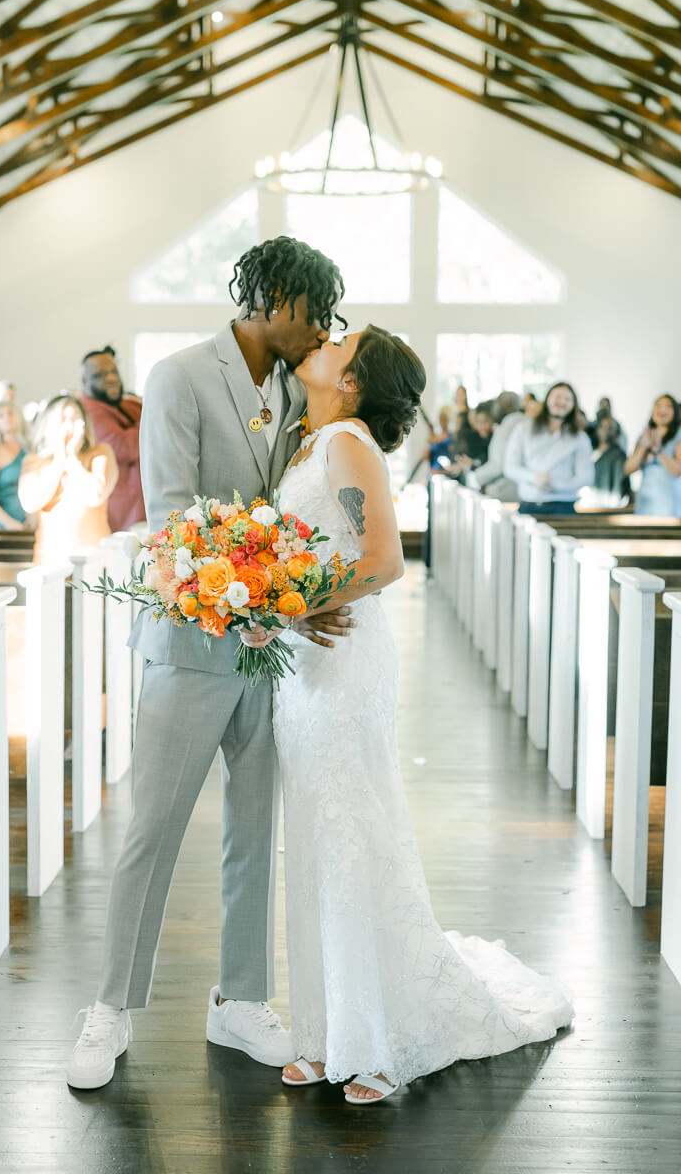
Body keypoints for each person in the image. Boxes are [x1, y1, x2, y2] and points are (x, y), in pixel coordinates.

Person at [241, 327, 573, 1102]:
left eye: (338, 341)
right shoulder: (305, 442)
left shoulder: (348, 443)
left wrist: (290, 606)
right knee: (316, 839)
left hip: (346, 656)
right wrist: (267, 607)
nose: (321, 340)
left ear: (353, 381)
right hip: (303, 663)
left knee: (355, 831)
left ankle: (382, 1039)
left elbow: (383, 560)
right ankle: (324, 1031)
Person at [65, 236, 352, 1092]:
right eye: (317, 310)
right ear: (273, 298)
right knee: (151, 832)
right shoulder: (182, 376)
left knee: (252, 831)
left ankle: (241, 1000)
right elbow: (175, 517)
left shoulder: (296, 394)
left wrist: (297, 598)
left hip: (271, 655)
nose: (323, 329)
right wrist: (273, 591)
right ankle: (110, 1006)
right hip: (191, 644)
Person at [18, 395, 118, 564]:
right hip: (50, 563)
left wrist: (72, 458)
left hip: (95, 563)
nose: (70, 425)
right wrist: (60, 459)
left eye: (75, 418)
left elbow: (96, 495)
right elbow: (30, 502)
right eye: (64, 418)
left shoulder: (100, 453)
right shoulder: (34, 461)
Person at [78, 346, 145, 531]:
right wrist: (148, 419)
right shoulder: (88, 411)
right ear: (85, 381)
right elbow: (124, 446)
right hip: (121, 516)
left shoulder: (125, 404)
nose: (111, 378)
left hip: (139, 509)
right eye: (100, 375)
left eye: (113, 371)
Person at [504, 382, 594, 515]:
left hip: (563, 508)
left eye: (567, 399)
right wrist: (533, 478)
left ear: (573, 405)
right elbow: (509, 467)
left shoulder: (580, 438)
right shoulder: (523, 429)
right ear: (547, 399)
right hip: (528, 505)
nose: (561, 402)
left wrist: (556, 485)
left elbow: (586, 477)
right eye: (558, 396)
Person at [624, 394, 681, 517]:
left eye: (668, 407)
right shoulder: (644, 435)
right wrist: (643, 446)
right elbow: (628, 469)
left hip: (669, 503)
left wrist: (658, 451)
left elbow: (677, 471)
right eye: (658, 406)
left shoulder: (678, 436)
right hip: (645, 502)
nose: (662, 410)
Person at [0, 401, 32, 529]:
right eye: (1, 415)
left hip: (32, 523)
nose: (6, 418)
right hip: (4, 525)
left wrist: (33, 520)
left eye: (10, 413)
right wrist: (10, 523)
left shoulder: (30, 449)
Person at [467, 390, 523, 501]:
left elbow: (497, 466)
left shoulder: (505, 428)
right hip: (523, 492)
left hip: (504, 491)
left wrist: (476, 477)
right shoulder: (527, 423)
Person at [591, 417, 630, 502]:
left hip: (606, 507)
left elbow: (618, 486)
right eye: (602, 426)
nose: (606, 430)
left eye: (610, 427)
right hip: (588, 504)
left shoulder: (619, 455)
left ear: (617, 432)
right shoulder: (591, 453)